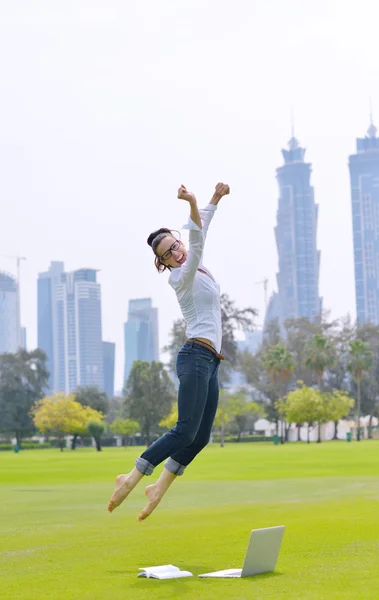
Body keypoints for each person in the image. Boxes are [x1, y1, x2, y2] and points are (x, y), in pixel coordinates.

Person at [107, 181, 230, 521]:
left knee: (201, 436)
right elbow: (198, 237)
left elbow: (198, 228)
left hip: (211, 362)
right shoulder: (181, 277)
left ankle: (158, 487)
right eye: (168, 254)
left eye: (175, 245)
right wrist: (192, 201)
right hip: (194, 357)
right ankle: (132, 476)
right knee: (184, 430)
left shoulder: (197, 265)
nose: (177, 253)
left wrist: (214, 199)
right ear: (163, 262)